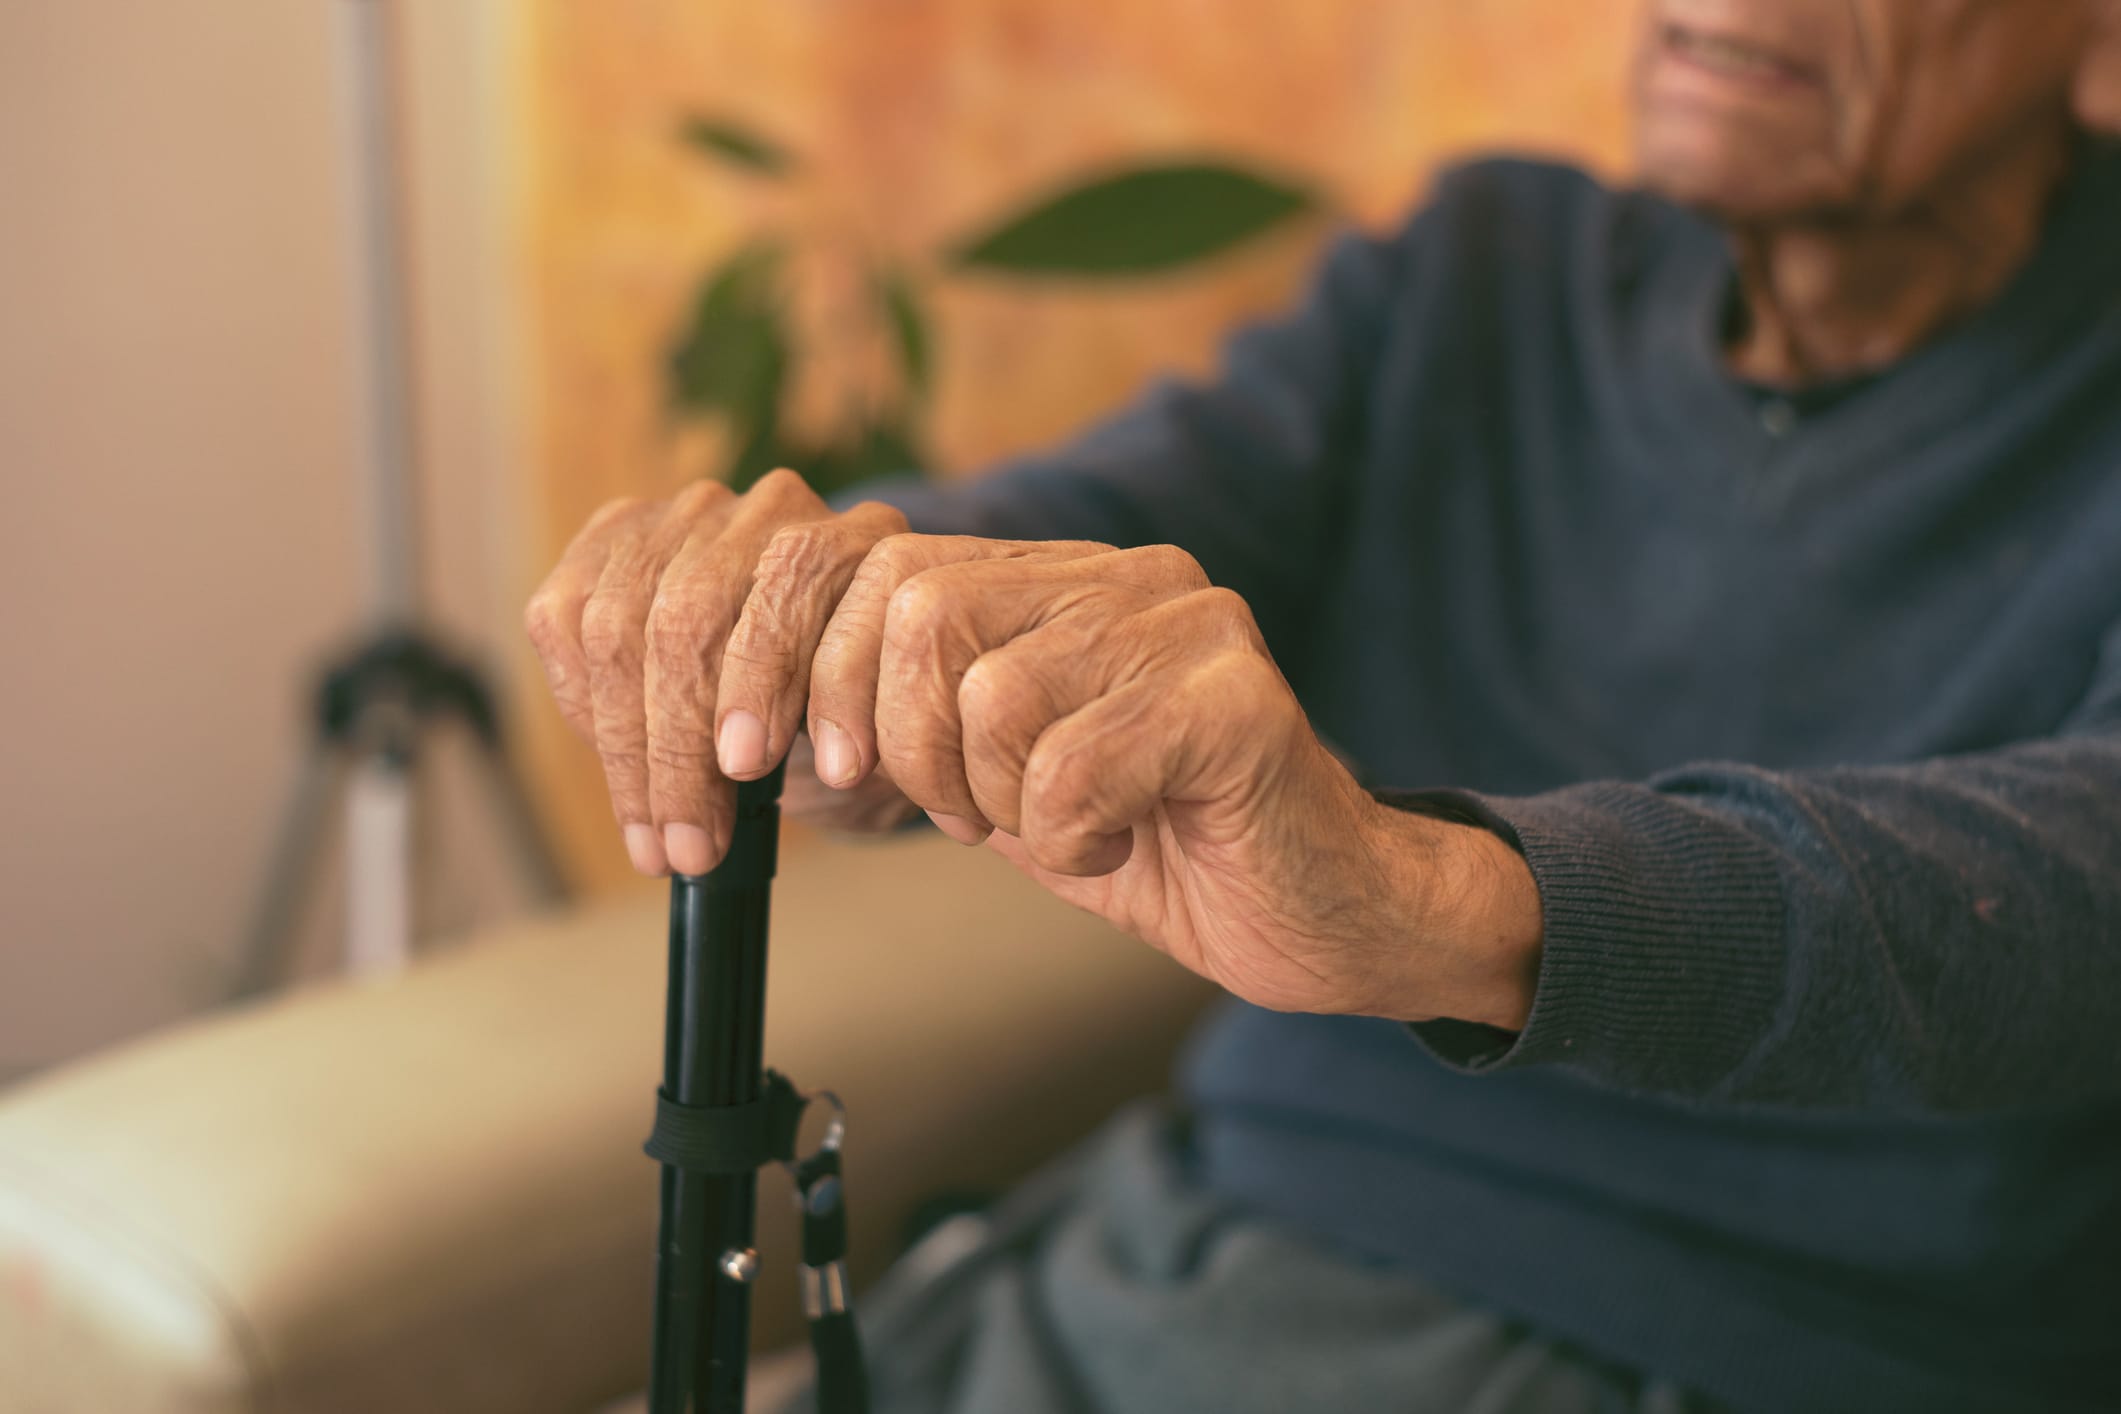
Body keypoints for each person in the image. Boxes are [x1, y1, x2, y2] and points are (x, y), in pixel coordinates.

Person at [526, 2, 2121, 1409]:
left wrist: (1416, 894)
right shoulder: (1486, 271)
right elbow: (1084, 533)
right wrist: (815, 631)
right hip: (1198, 1256)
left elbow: (2062, 898)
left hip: (1747, 1346)